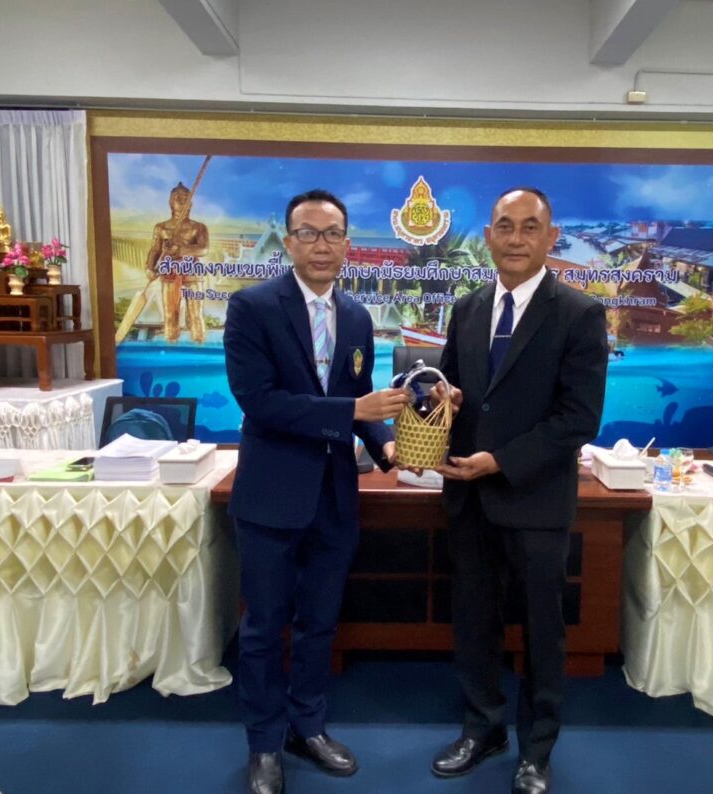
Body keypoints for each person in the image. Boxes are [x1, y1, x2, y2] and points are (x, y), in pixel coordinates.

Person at [223, 189, 408, 794]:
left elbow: (362, 397)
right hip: (271, 496)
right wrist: (353, 411)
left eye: (332, 234)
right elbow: (261, 402)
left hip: (334, 496)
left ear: (348, 243)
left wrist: (388, 448)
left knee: (319, 624)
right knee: (262, 628)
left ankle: (308, 726)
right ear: (289, 241)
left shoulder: (356, 317)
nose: (321, 245)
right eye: (308, 233)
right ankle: (263, 744)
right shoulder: (252, 307)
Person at [427, 187, 608, 794]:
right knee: (474, 620)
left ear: (551, 238)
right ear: (488, 236)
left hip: (535, 498)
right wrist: (445, 398)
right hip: (469, 497)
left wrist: (500, 461)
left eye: (531, 227)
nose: (516, 238)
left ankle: (536, 749)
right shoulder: (469, 307)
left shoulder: (579, 313)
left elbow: (578, 418)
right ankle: (482, 728)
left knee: (541, 629)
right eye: (505, 226)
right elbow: (453, 385)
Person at [145, 181, 210, 343]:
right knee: (170, 313)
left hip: (192, 271)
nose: (181, 200)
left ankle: (199, 342)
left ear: (190, 203)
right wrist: (150, 267)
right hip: (169, 272)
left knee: (196, 312)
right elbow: (155, 250)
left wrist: (180, 250)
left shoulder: (199, 227)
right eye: (177, 198)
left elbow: (203, 249)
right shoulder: (161, 228)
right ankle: (171, 342)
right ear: (170, 202)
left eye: (185, 198)